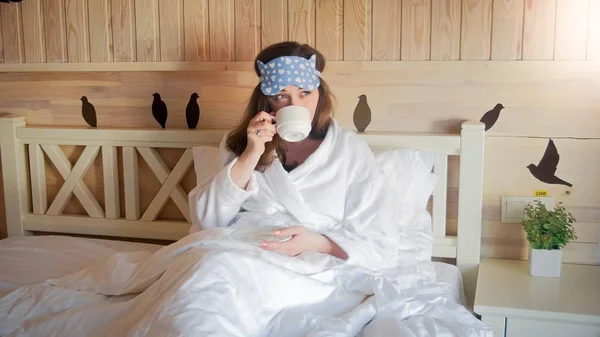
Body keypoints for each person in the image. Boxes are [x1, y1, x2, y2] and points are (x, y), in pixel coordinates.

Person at [188, 41, 400, 270]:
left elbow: (380, 242)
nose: (294, 104)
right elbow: (207, 221)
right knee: (209, 279)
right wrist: (251, 153)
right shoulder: (241, 142)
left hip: (317, 260)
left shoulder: (349, 149)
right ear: (266, 99)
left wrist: (319, 244)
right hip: (242, 253)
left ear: (320, 93)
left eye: (305, 93)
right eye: (281, 96)